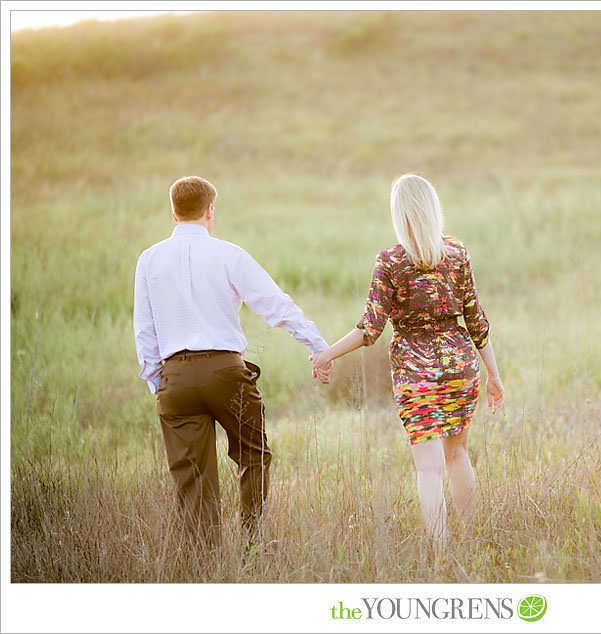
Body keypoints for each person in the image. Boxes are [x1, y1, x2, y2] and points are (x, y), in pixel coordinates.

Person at [133, 175, 330, 550]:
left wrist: (159, 383)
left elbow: (144, 330)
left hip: (175, 377)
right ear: (210, 212)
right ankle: (254, 540)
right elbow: (274, 304)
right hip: (226, 372)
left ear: (173, 214)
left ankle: (203, 558)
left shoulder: (149, 260)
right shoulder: (228, 255)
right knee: (254, 453)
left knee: (192, 476)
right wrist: (318, 345)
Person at [310, 174, 504, 550]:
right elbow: (476, 321)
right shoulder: (457, 254)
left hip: (416, 376)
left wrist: (325, 354)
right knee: (458, 453)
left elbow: (370, 329)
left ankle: (443, 554)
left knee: (429, 468)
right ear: (433, 209)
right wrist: (494, 375)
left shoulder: (390, 262)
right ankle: (470, 541)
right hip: (460, 369)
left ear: (399, 214)